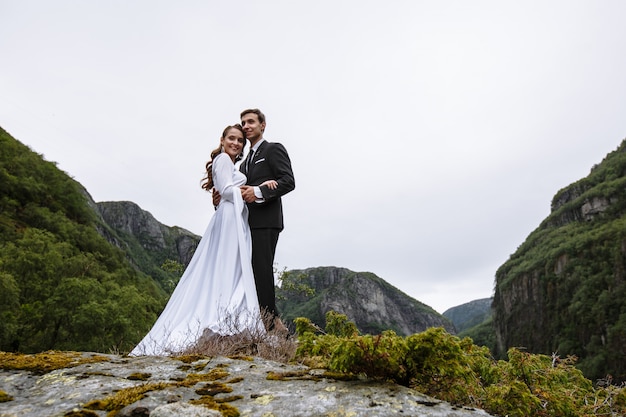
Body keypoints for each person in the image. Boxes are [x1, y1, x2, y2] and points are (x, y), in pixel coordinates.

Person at [130, 124, 275, 356]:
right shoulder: (223, 160)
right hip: (229, 218)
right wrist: (258, 190)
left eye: (240, 141)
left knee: (229, 266)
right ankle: (222, 315)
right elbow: (227, 191)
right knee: (229, 265)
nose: (236, 143)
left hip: (230, 216)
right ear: (222, 139)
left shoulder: (227, 162)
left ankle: (225, 314)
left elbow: (223, 190)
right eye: (232, 138)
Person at [214, 109, 295, 331]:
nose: (247, 126)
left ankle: (272, 326)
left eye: (251, 122)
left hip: (267, 221)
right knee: (249, 275)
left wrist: (260, 191)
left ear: (263, 125)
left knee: (262, 271)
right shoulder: (243, 163)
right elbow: (235, 188)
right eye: (243, 123)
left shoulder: (273, 149)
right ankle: (257, 325)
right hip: (245, 225)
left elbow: (288, 181)